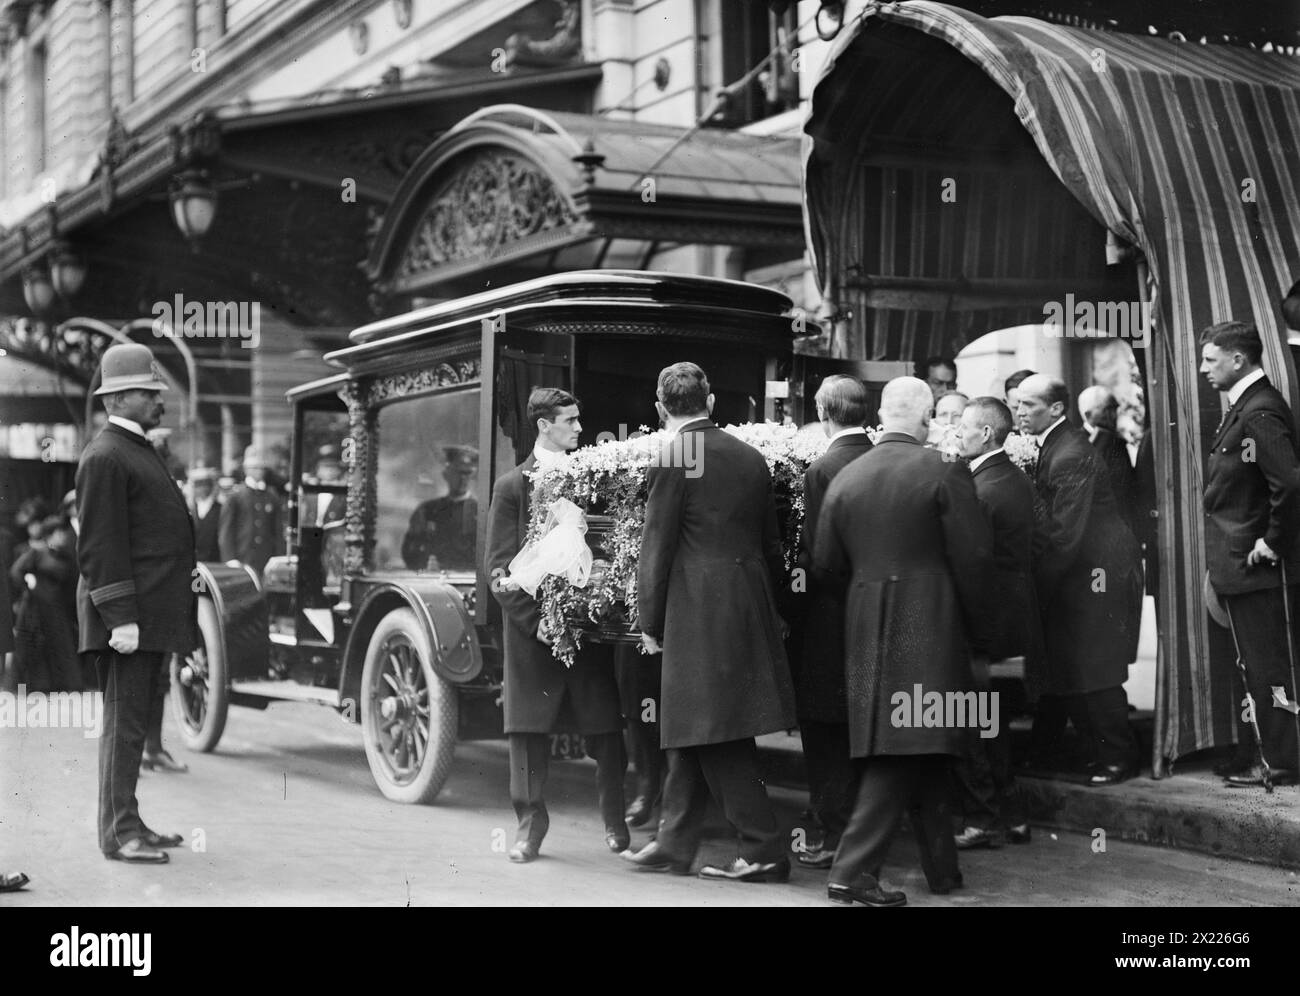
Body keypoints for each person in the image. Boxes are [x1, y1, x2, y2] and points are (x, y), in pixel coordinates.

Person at [813, 377, 992, 907]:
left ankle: (942, 870)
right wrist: (983, 632)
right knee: (910, 738)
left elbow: (824, 563)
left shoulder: (847, 476)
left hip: (865, 619)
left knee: (919, 741)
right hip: (931, 620)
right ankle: (850, 873)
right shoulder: (944, 469)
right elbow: (975, 558)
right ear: (928, 414)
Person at [626, 362, 796, 882]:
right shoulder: (750, 457)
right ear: (712, 401)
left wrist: (649, 621)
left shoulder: (673, 456)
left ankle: (764, 848)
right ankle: (674, 841)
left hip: (697, 608)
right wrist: (777, 609)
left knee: (712, 728)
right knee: (697, 721)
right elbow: (771, 543)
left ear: (660, 408)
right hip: (745, 599)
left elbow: (656, 548)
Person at [485, 388, 628, 862]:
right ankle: (529, 827)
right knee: (527, 735)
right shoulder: (512, 486)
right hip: (532, 634)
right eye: (570, 420)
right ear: (544, 425)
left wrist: (598, 602)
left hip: (586, 630)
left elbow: (609, 546)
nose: (580, 428)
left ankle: (614, 819)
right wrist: (536, 623)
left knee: (606, 728)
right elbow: (498, 570)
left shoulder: (594, 478)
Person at [76, 343, 194, 863]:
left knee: (133, 727)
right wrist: (120, 618)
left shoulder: (132, 450)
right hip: (130, 621)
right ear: (120, 398)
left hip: (149, 618)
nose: (159, 400)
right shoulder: (106, 456)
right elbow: (101, 546)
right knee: (124, 729)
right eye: (150, 393)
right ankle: (118, 833)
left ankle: (130, 821)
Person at [1016, 374, 1142, 785]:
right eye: (1018, 404)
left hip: (1097, 574)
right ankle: (1097, 753)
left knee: (1097, 666)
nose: (1020, 412)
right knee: (1078, 665)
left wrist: (1035, 588)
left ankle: (1118, 760)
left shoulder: (1068, 452)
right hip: (1089, 572)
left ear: (1056, 408)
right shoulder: (1061, 443)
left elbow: (1064, 536)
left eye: (1028, 405)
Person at [1200, 321, 1300, 786]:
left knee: (1270, 666)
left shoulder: (1258, 411)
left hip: (1258, 566)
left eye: (1209, 359)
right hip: (1241, 565)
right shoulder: (1247, 406)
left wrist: (1273, 540)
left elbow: (1291, 483)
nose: (1203, 369)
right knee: (1258, 665)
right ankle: (1270, 754)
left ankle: (1282, 761)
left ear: (1237, 359)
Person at [792, 375, 873, 869]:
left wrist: (791, 600)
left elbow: (817, 558)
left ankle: (829, 832)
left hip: (830, 618)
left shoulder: (823, 468)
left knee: (824, 730)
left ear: (823, 412)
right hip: (877, 613)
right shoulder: (880, 457)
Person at [952, 398, 1037, 848]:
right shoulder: (1013, 479)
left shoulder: (981, 488)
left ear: (986, 433)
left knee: (974, 723)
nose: (956, 433)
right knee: (995, 724)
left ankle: (982, 819)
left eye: (963, 426)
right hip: (1010, 622)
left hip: (983, 625)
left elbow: (972, 563)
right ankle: (1012, 814)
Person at [10, 516, 81, 692]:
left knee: (58, 644)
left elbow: (70, 581)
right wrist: (29, 584)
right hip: (35, 606)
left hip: (55, 606)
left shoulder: (66, 556)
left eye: (63, 532)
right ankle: (35, 686)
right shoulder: (36, 552)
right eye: (59, 533)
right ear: (50, 534)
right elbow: (16, 571)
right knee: (34, 645)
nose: (63, 536)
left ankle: (58, 685)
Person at [402, 445, 478, 571]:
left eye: (467, 473)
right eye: (457, 472)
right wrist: (424, 563)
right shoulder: (427, 511)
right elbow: (409, 550)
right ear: (446, 474)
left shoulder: (481, 512)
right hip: (433, 581)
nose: (463, 478)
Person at [1078, 385, 1137, 535]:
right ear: (1088, 414)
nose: (1114, 415)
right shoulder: (1076, 443)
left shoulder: (1117, 441)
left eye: (1115, 409)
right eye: (1107, 410)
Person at [219, 445, 284, 575]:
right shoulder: (236, 496)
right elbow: (227, 530)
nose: (259, 471)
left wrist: (278, 556)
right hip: (242, 556)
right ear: (246, 470)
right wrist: (230, 558)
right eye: (254, 468)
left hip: (267, 558)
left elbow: (277, 530)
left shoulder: (272, 496)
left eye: (261, 468)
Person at [188, 465, 222, 562]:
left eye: (205, 484)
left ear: (212, 486)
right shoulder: (189, 509)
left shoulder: (220, 509)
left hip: (214, 562)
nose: (201, 488)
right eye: (198, 485)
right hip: (193, 565)